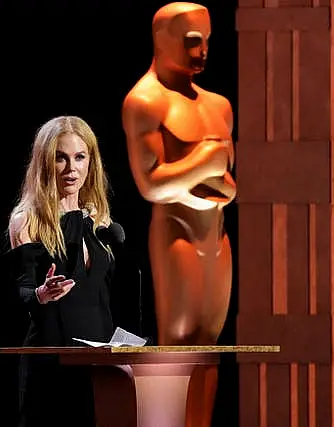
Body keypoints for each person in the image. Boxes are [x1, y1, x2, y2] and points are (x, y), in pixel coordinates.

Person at [121, 2, 236, 426]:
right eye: (191, 42)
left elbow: (227, 183)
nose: (201, 51)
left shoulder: (218, 105)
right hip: (178, 232)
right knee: (180, 341)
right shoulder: (146, 101)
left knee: (210, 344)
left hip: (216, 235)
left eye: (206, 41)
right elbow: (151, 184)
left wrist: (205, 174)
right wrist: (205, 161)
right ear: (162, 40)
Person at [6, 115, 118, 427]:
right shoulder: (27, 220)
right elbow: (22, 292)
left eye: (80, 157)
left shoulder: (99, 221)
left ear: (90, 162)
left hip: (100, 365)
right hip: (51, 363)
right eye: (61, 158)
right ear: (45, 162)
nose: (71, 169)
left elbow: (104, 295)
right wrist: (42, 293)